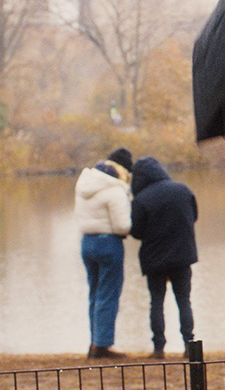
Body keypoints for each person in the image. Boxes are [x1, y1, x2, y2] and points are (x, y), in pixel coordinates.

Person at [129, 156, 198, 358]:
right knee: (184, 301)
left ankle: (158, 348)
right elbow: (193, 217)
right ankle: (189, 345)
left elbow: (136, 231)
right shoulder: (183, 190)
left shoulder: (141, 200)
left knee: (156, 302)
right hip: (182, 256)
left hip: (155, 258)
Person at [76, 147, 133, 359]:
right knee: (108, 294)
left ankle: (94, 342)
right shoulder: (115, 189)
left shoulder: (84, 184)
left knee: (95, 293)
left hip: (87, 242)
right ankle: (104, 345)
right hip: (109, 243)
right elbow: (122, 226)